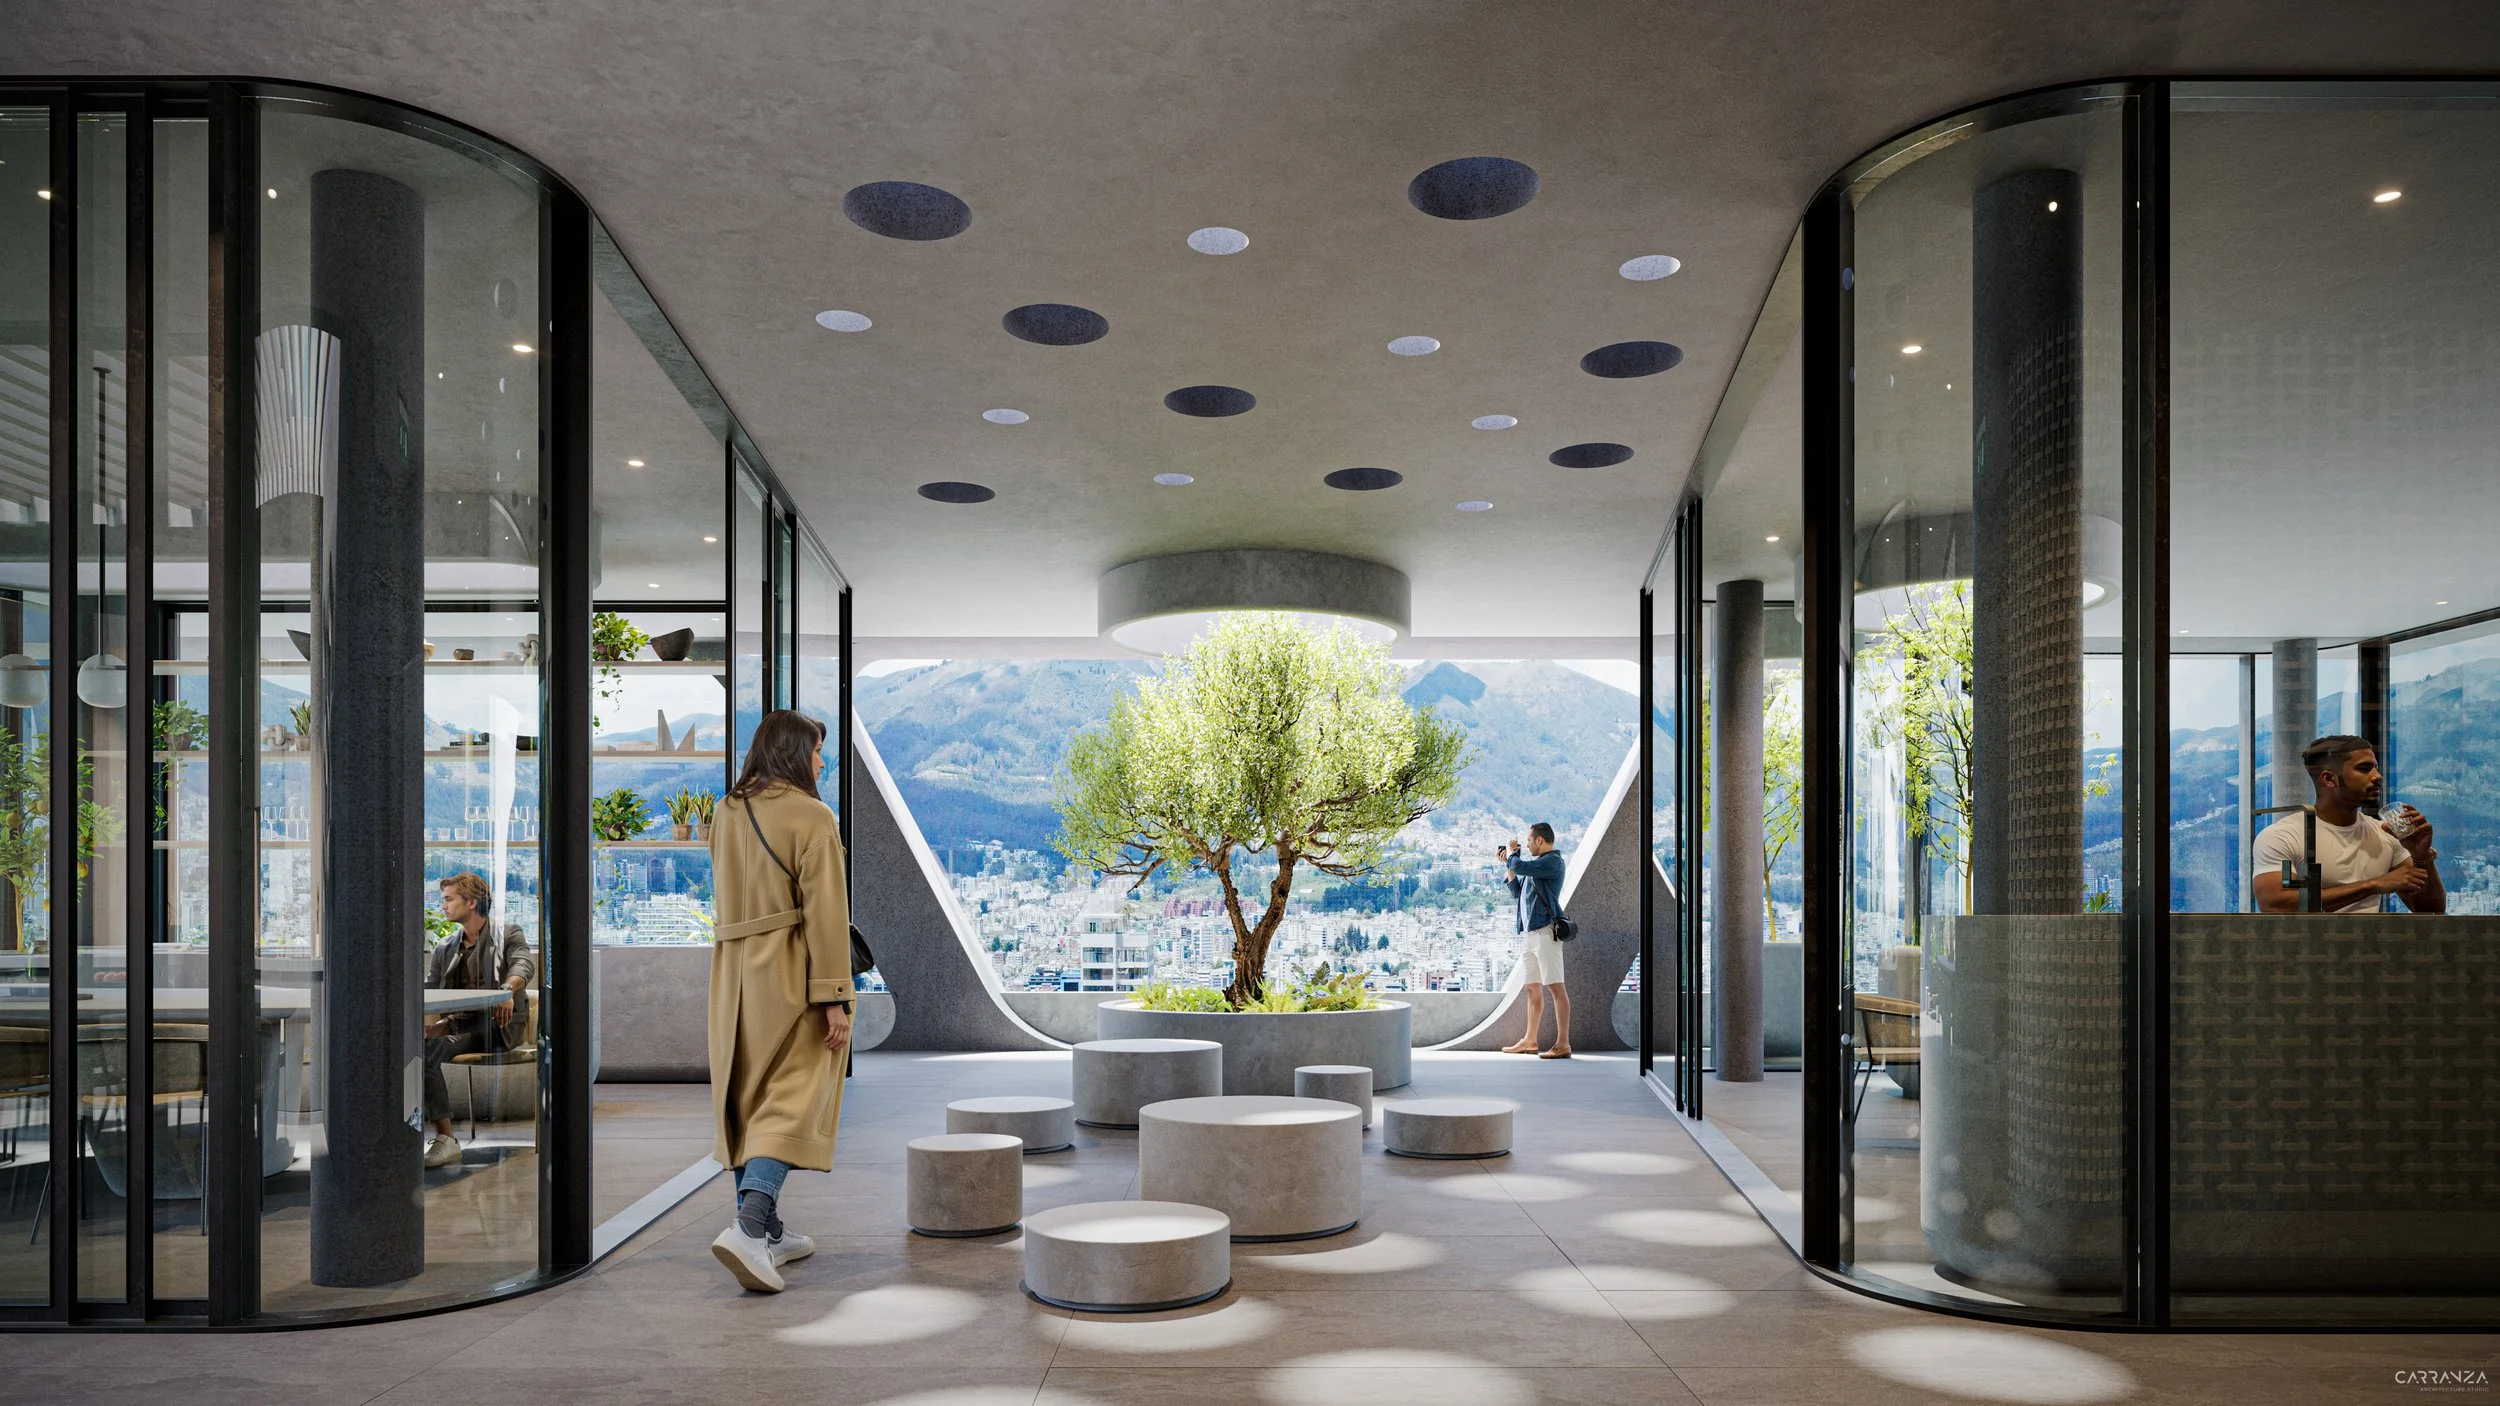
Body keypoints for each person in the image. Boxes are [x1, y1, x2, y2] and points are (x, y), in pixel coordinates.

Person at [708, 709, 854, 1292]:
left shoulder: (725, 810)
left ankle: (769, 1232)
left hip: (731, 973)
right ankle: (747, 1227)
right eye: (817, 750)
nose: (822, 761)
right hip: (789, 969)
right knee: (790, 1099)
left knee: (747, 1098)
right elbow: (826, 916)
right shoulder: (814, 816)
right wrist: (834, 997)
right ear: (796, 752)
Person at [2253, 734, 2445, 914]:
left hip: (2371, 949)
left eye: (2376, 768)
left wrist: (2421, 856)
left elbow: (2431, 910)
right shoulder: (2284, 836)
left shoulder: (2385, 833)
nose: (2378, 776)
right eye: (2364, 768)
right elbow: (2275, 904)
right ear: (2329, 779)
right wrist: (2373, 885)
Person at [420, 873, 535, 1169]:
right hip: (460, 1026)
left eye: (448, 899)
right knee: (416, 1048)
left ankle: (446, 1140)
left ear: (471, 902)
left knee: (430, 1048)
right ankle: (416, 1130)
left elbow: (523, 964)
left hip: (497, 1027)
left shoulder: (508, 933)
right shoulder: (446, 947)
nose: (442, 906)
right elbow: (429, 989)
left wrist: (506, 991)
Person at [1498, 822, 1572, 1059]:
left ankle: (1563, 1044)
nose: (1527, 845)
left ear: (1540, 840)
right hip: (1530, 934)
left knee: (1556, 988)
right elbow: (1517, 892)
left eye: (1529, 841)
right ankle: (1530, 1041)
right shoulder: (1536, 866)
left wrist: (1512, 855)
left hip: (1546, 932)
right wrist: (1509, 864)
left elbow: (1519, 865)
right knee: (1532, 988)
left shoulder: (1552, 862)